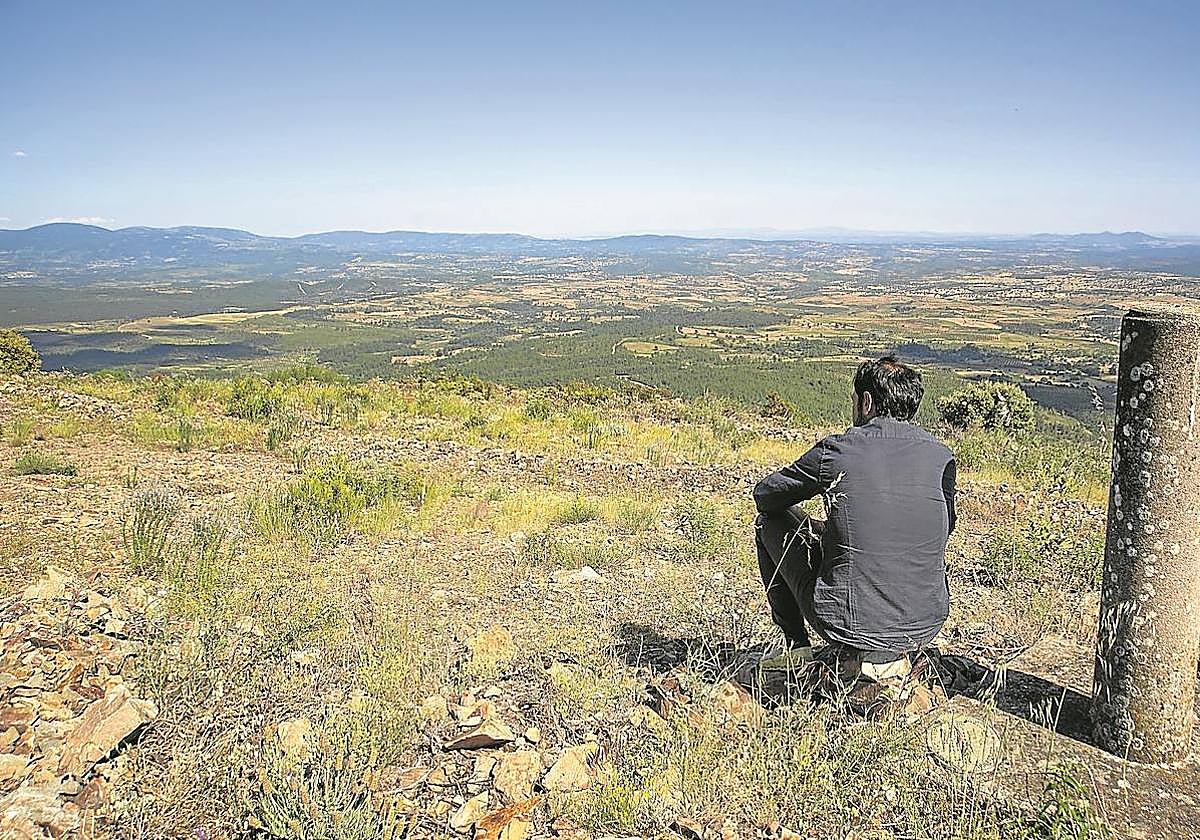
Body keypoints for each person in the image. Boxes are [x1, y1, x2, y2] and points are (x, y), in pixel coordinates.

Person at [752, 356, 956, 685]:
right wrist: (830, 528)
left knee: (769, 522)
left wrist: (812, 524)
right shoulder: (940, 456)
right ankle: (893, 659)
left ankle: (796, 647)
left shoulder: (838, 452)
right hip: (924, 625)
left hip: (848, 625)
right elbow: (944, 527)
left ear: (865, 401)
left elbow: (766, 496)